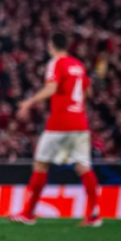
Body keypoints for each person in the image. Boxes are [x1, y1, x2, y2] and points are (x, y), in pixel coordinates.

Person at [11, 33, 102, 227]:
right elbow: (89, 92)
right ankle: (94, 215)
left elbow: (51, 88)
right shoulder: (78, 65)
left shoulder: (56, 63)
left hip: (60, 123)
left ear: (51, 46)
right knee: (83, 167)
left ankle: (28, 214)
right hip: (80, 123)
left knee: (40, 164)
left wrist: (29, 102)